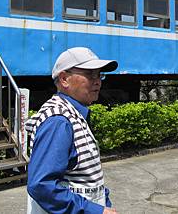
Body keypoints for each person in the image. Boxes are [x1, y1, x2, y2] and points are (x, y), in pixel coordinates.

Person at [26, 47, 119, 214]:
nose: (97, 81)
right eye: (90, 75)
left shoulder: (74, 114)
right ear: (64, 79)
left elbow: (86, 175)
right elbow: (41, 186)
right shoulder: (58, 121)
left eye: (99, 75)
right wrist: (96, 211)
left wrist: (103, 202)